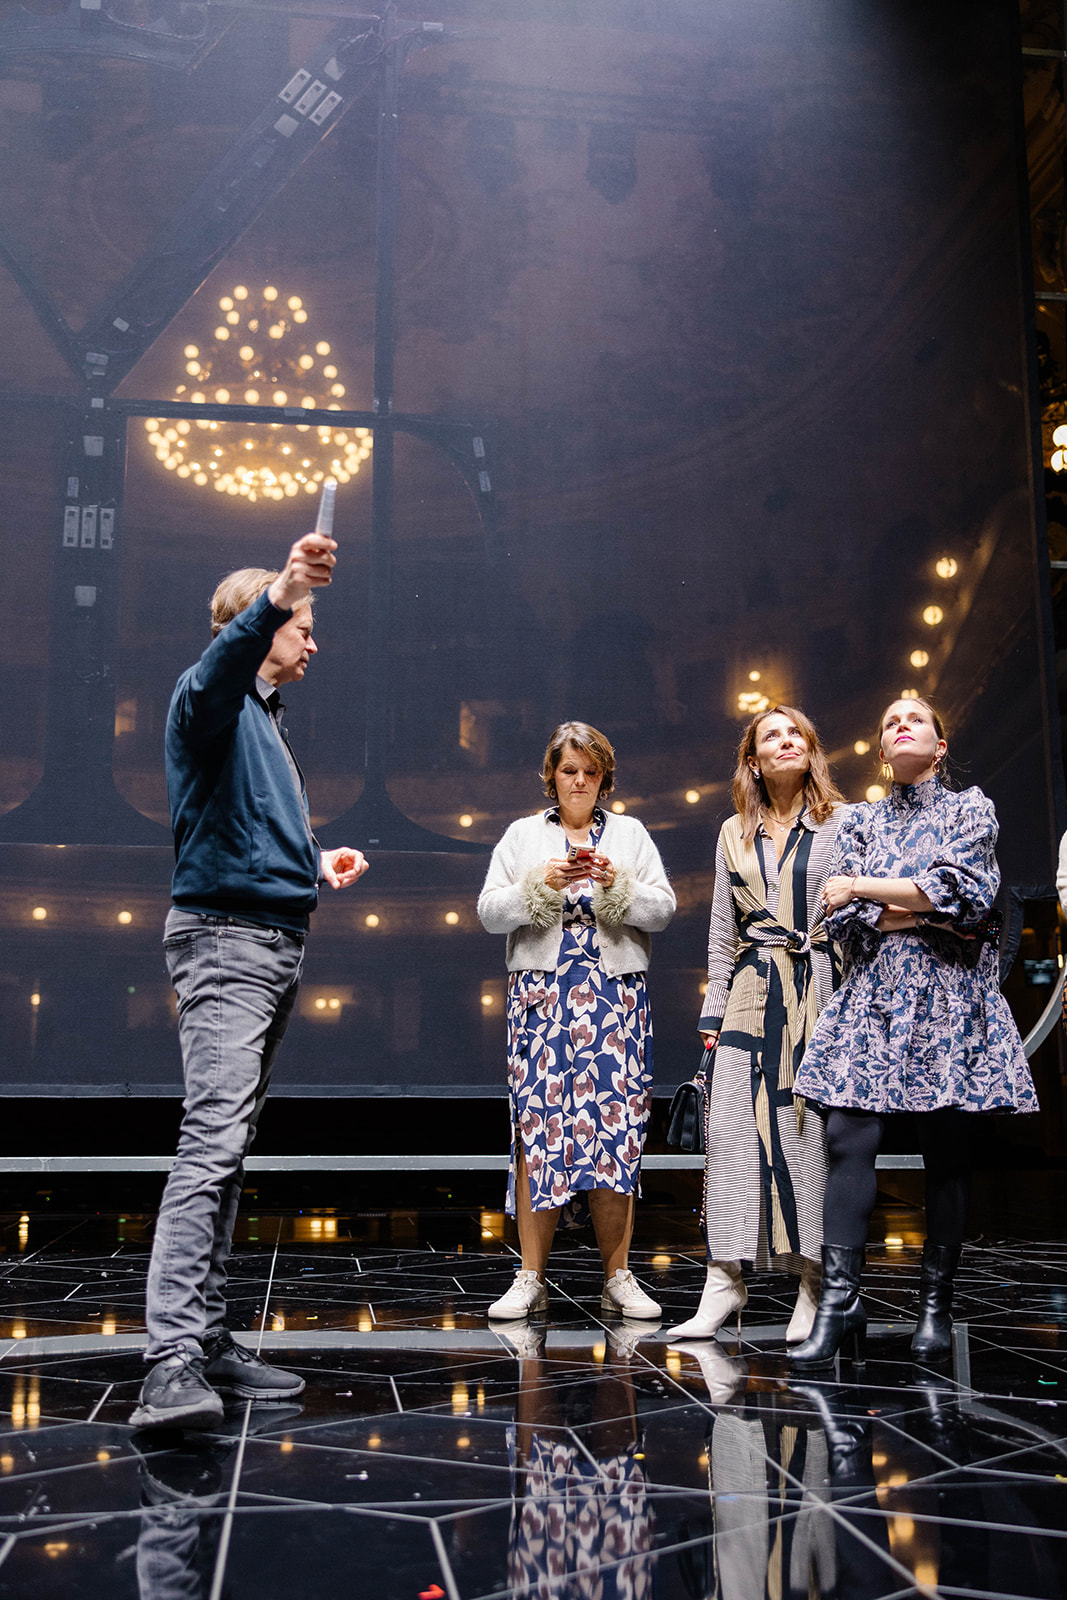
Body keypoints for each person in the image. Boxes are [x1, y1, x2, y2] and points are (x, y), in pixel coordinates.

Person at [131, 530, 369, 1430]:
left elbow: (243, 826)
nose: (314, 641)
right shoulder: (211, 698)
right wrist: (280, 589)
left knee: (228, 1150)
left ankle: (206, 1336)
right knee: (211, 1145)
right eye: (301, 626)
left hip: (268, 940)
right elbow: (214, 676)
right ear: (258, 626)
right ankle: (169, 1363)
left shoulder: (264, 721)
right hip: (227, 943)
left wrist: (312, 860)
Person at [790, 697, 1038, 1367]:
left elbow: (963, 897)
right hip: (872, 997)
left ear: (938, 745)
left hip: (946, 998)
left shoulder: (969, 809)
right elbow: (840, 920)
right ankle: (840, 1305)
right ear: (880, 753)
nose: (902, 726)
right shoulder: (860, 821)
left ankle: (935, 1305)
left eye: (915, 720)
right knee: (846, 1138)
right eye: (890, 723)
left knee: (945, 1150)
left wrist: (866, 890)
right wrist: (911, 904)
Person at [477, 720, 676, 1321]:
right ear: (552, 775)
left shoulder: (631, 834)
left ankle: (618, 1277)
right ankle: (530, 1277)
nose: (580, 781)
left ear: (604, 778)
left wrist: (619, 883)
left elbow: (663, 909)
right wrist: (539, 884)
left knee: (617, 1130)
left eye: (591, 771)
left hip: (615, 1003)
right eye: (570, 770)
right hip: (543, 1002)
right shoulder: (522, 835)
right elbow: (489, 912)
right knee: (539, 1130)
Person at [666, 706, 844, 1345]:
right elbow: (722, 930)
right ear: (753, 760)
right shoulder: (732, 831)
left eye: (797, 733)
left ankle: (813, 1283)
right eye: (773, 734)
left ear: (811, 750)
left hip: (820, 987)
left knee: (807, 1134)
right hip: (748, 988)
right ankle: (723, 1283)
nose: (787, 741)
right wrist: (711, 1015)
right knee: (734, 1136)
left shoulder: (842, 822)